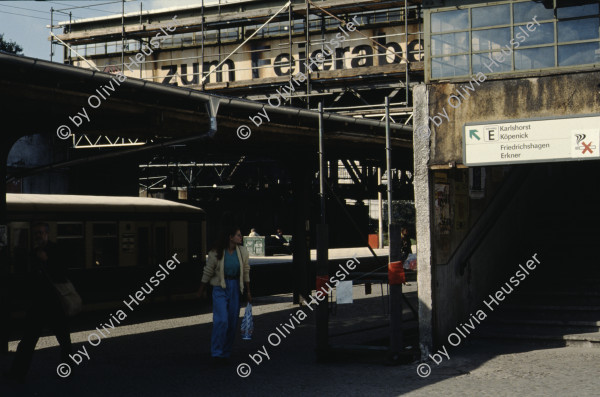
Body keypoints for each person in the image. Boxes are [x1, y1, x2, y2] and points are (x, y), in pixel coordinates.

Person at [5, 222, 73, 382]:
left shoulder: (56, 250)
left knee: (64, 340)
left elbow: (63, 273)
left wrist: (47, 260)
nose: (38, 236)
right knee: (27, 341)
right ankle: (17, 373)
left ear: (47, 234)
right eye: (36, 233)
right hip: (38, 305)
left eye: (41, 233)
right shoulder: (32, 253)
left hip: (56, 304)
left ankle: (67, 369)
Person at [198, 225, 251, 363]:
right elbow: (208, 270)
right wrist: (201, 289)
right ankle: (217, 352)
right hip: (220, 287)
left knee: (232, 322)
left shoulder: (243, 252)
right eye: (238, 235)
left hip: (235, 287)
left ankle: (225, 352)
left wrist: (248, 290)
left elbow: (246, 271)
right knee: (221, 320)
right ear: (230, 237)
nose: (241, 237)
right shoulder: (216, 252)